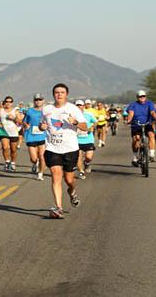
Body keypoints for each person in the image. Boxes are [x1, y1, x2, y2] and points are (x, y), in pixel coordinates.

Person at [39, 83, 87, 219]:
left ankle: (72, 192)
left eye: (62, 92)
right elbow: (42, 125)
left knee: (69, 179)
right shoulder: (46, 109)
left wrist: (75, 122)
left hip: (70, 149)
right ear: (53, 94)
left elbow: (85, 127)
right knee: (55, 175)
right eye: (57, 92)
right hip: (52, 148)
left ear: (66, 94)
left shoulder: (73, 109)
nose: (59, 94)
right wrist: (41, 127)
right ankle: (58, 207)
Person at [126, 90, 156, 166]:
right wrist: (129, 120)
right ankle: (135, 157)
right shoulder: (133, 105)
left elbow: (152, 112)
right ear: (137, 97)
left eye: (143, 96)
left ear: (145, 97)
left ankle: (152, 154)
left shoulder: (149, 103)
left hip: (147, 124)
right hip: (136, 124)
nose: (142, 98)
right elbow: (131, 113)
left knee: (151, 135)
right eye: (140, 96)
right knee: (136, 139)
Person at [23, 94, 46, 181]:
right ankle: (35, 163)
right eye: (36, 100)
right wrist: (26, 125)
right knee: (33, 158)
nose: (38, 101)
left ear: (43, 101)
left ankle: (40, 174)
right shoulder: (29, 111)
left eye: (40, 99)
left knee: (42, 156)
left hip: (42, 136)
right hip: (31, 136)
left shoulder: (46, 111)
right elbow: (24, 122)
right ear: (34, 101)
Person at [0, 96, 23, 172]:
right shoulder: (0, 111)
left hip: (13, 132)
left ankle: (13, 162)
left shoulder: (15, 111)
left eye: (10, 102)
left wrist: (14, 118)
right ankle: (7, 162)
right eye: (7, 101)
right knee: (5, 147)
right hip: (3, 132)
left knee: (13, 150)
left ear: (12, 103)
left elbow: (20, 122)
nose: (8, 103)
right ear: (4, 102)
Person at [75, 100, 97, 180]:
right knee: (78, 156)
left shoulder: (88, 114)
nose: (78, 107)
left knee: (88, 157)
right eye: (77, 105)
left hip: (88, 139)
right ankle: (81, 171)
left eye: (80, 105)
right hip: (77, 140)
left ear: (83, 106)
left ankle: (87, 163)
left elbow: (95, 122)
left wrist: (92, 127)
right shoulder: (72, 115)